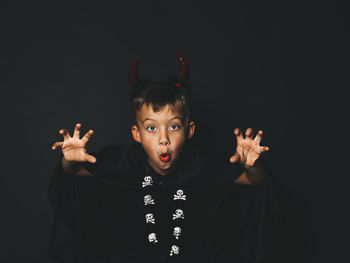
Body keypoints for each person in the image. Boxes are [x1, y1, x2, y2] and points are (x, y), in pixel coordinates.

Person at [49, 54, 282, 263]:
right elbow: (72, 172)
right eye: (151, 128)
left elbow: (255, 181)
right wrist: (69, 160)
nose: (163, 139)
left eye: (173, 127)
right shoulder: (124, 163)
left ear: (189, 131)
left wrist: (253, 165)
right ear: (136, 134)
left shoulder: (201, 166)